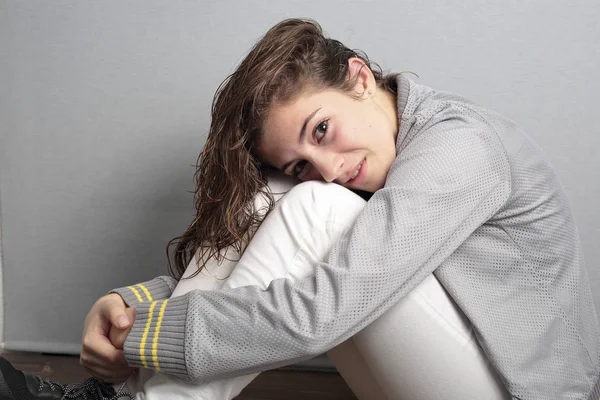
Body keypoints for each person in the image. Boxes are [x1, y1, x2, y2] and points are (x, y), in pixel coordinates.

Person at [1, 17, 599, 400]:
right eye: (300, 157)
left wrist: (141, 339)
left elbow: (324, 310)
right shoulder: (377, 158)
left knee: (313, 207)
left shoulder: (459, 148)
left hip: (516, 390)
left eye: (322, 128)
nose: (330, 165)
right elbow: (270, 252)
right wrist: (140, 303)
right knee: (277, 197)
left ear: (360, 78)